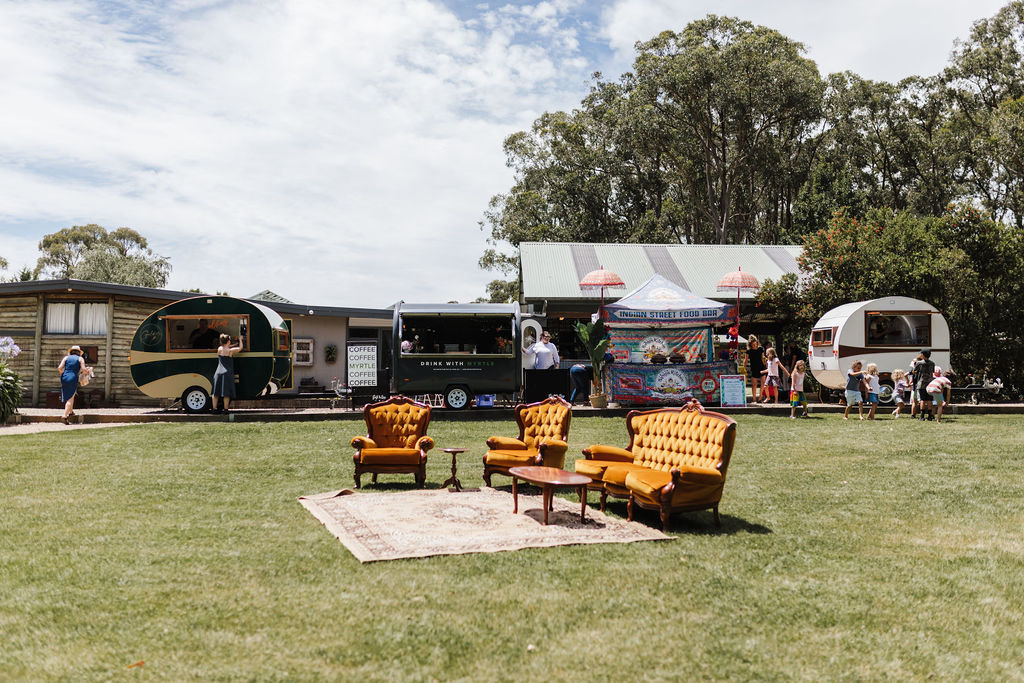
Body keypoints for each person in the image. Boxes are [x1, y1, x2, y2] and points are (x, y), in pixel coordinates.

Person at [57, 345, 91, 425]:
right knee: (70, 398)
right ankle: (65, 416)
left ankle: (71, 411)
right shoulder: (80, 359)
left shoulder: (66, 358)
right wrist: (87, 372)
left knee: (70, 394)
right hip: (73, 377)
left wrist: (62, 374)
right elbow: (83, 369)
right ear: (79, 352)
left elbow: (59, 368)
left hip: (64, 377)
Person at [211, 332, 244, 414]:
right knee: (226, 393)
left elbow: (225, 347)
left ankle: (214, 409)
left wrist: (233, 345)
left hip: (218, 372)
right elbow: (240, 348)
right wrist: (240, 340)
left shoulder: (219, 349)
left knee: (215, 393)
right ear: (228, 341)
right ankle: (225, 410)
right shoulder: (230, 351)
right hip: (227, 372)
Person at [913, 349, 936, 420]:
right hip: (930, 383)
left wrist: (915, 363)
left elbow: (914, 372)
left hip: (922, 383)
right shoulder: (932, 363)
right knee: (929, 400)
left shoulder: (919, 363)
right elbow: (932, 372)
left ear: (923, 354)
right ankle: (929, 416)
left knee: (922, 399)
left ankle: (922, 416)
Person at [746, 335, 765, 402]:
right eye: (753, 345)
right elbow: (745, 360)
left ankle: (760, 398)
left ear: (757, 342)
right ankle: (754, 399)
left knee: (763, 382)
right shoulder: (749, 351)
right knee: (754, 384)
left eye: (755, 344)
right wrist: (744, 368)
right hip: (754, 368)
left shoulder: (761, 349)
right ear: (750, 345)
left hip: (762, 367)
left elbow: (763, 358)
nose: (755, 346)